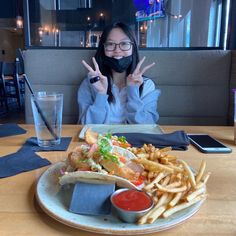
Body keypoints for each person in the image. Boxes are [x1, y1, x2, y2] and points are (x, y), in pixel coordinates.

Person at [78, 22, 160, 124]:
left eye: (124, 44)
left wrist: (133, 91)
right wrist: (101, 94)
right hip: (100, 139)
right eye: (110, 44)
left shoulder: (147, 85)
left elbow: (147, 126)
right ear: (103, 49)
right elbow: (85, 127)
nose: (117, 50)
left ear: (133, 48)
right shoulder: (90, 83)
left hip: (132, 140)